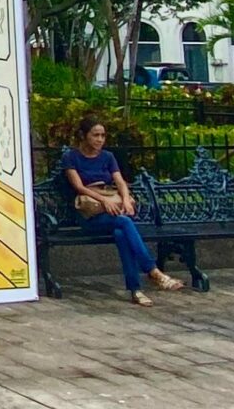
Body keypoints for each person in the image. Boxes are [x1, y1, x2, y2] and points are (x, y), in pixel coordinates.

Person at [60, 118, 184, 305]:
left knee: (121, 233)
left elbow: (119, 182)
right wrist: (104, 200)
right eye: (95, 135)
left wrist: (125, 199)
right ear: (84, 136)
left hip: (112, 214)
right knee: (124, 222)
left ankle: (136, 290)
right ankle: (153, 271)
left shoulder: (108, 157)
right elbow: (79, 187)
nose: (100, 139)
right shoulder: (71, 157)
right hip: (90, 216)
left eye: (103, 136)